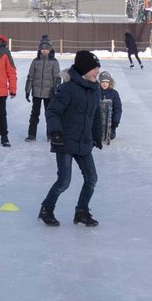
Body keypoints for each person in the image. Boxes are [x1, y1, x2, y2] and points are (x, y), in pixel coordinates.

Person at [38, 50, 103, 228]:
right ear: (84, 69)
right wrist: (55, 132)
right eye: (95, 69)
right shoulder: (68, 88)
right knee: (64, 181)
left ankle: (81, 212)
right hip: (65, 141)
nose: (97, 72)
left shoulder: (94, 89)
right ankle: (46, 210)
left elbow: (96, 115)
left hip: (84, 141)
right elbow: (52, 111)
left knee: (92, 178)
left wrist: (97, 135)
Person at [24, 37, 62, 141]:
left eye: (46, 49)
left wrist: (57, 91)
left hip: (49, 93)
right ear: (39, 49)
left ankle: (50, 134)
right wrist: (27, 90)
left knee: (49, 114)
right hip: (36, 92)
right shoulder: (35, 62)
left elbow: (57, 78)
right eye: (42, 49)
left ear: (50, 50)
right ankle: (32, 134)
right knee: (34, 114)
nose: (44, 51)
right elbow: (30, 76)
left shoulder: (54, 62)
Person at [96, 71, 122, 145]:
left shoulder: (114, 93)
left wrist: (115, 122)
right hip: (97, 121)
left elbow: (118, 109)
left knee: (110, 136)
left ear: (110, 83)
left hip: (109, 122)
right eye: (103, 81)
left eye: (107, 82)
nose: (104, 84)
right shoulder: (95, 92)